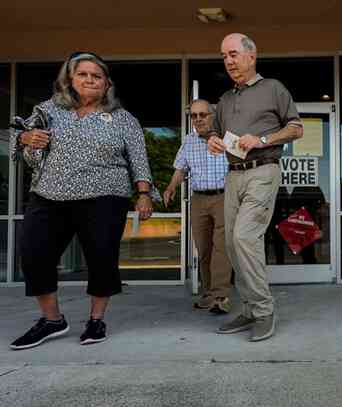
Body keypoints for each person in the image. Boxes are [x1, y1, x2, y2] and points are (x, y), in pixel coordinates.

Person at [9, 51, 157, 350]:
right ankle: (52, 320)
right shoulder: (48, 110)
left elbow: (139, 159)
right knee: (34, 253)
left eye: (97, 76)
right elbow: (20, 137)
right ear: (70, 79)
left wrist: (143, 194)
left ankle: (96, 320)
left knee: (101, 258)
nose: (90, 79)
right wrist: (26, 139)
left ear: (107, 83)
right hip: (49, 194)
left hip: (105, 196)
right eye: (83, 74)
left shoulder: (122, 119)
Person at [207, 33, 303, 341]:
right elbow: (218, 135)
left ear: (251, 56)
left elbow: (296, 128)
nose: (228, 61)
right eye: (224, 56)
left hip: (263, 170)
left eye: (233, 54)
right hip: (233, 174)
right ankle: (249, 308)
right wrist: (213, 141)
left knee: (244, 238)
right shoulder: (224, 99)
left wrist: (262, 139)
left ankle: (263, 310)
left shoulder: (273, 88)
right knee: (233, 245)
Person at [164, 99, 233, 314]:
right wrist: (171, 187)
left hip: (223, 197)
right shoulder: (189, 140)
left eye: (203, 114)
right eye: (194, 115)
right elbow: (180, 169)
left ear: (212, 115)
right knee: (204, 250)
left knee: (221, 248)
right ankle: (208, 294)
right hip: (199, 200)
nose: (198, 119)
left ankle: (220, 297)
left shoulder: (227, 138)